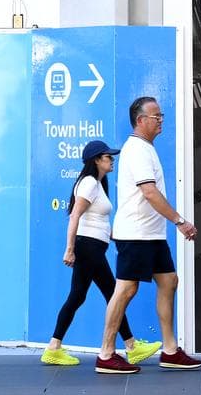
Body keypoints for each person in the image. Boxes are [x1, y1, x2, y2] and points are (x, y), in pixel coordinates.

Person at [94, 97, 201, 374]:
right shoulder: (138, 150)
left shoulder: (147, 148)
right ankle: (106, 354)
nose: (161, 120)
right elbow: (149, 192)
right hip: (136, 234)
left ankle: (170, 351)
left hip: (152, 234)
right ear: (140, 121)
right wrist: (180, 221)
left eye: (161, 115)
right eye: (156, 116)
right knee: (126, 289)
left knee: (169, 281)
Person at [41, 140, 162, 366]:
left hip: (93, 247)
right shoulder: (88, 183)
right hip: (88, 247)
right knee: (112, 293)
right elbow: (75, 215)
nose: (112, 160)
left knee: (80, 295)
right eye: (108, 157)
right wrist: (69, 250)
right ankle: (131, 345)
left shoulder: (97, 183)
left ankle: (54, 346)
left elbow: (98, 219)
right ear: (96, 160)